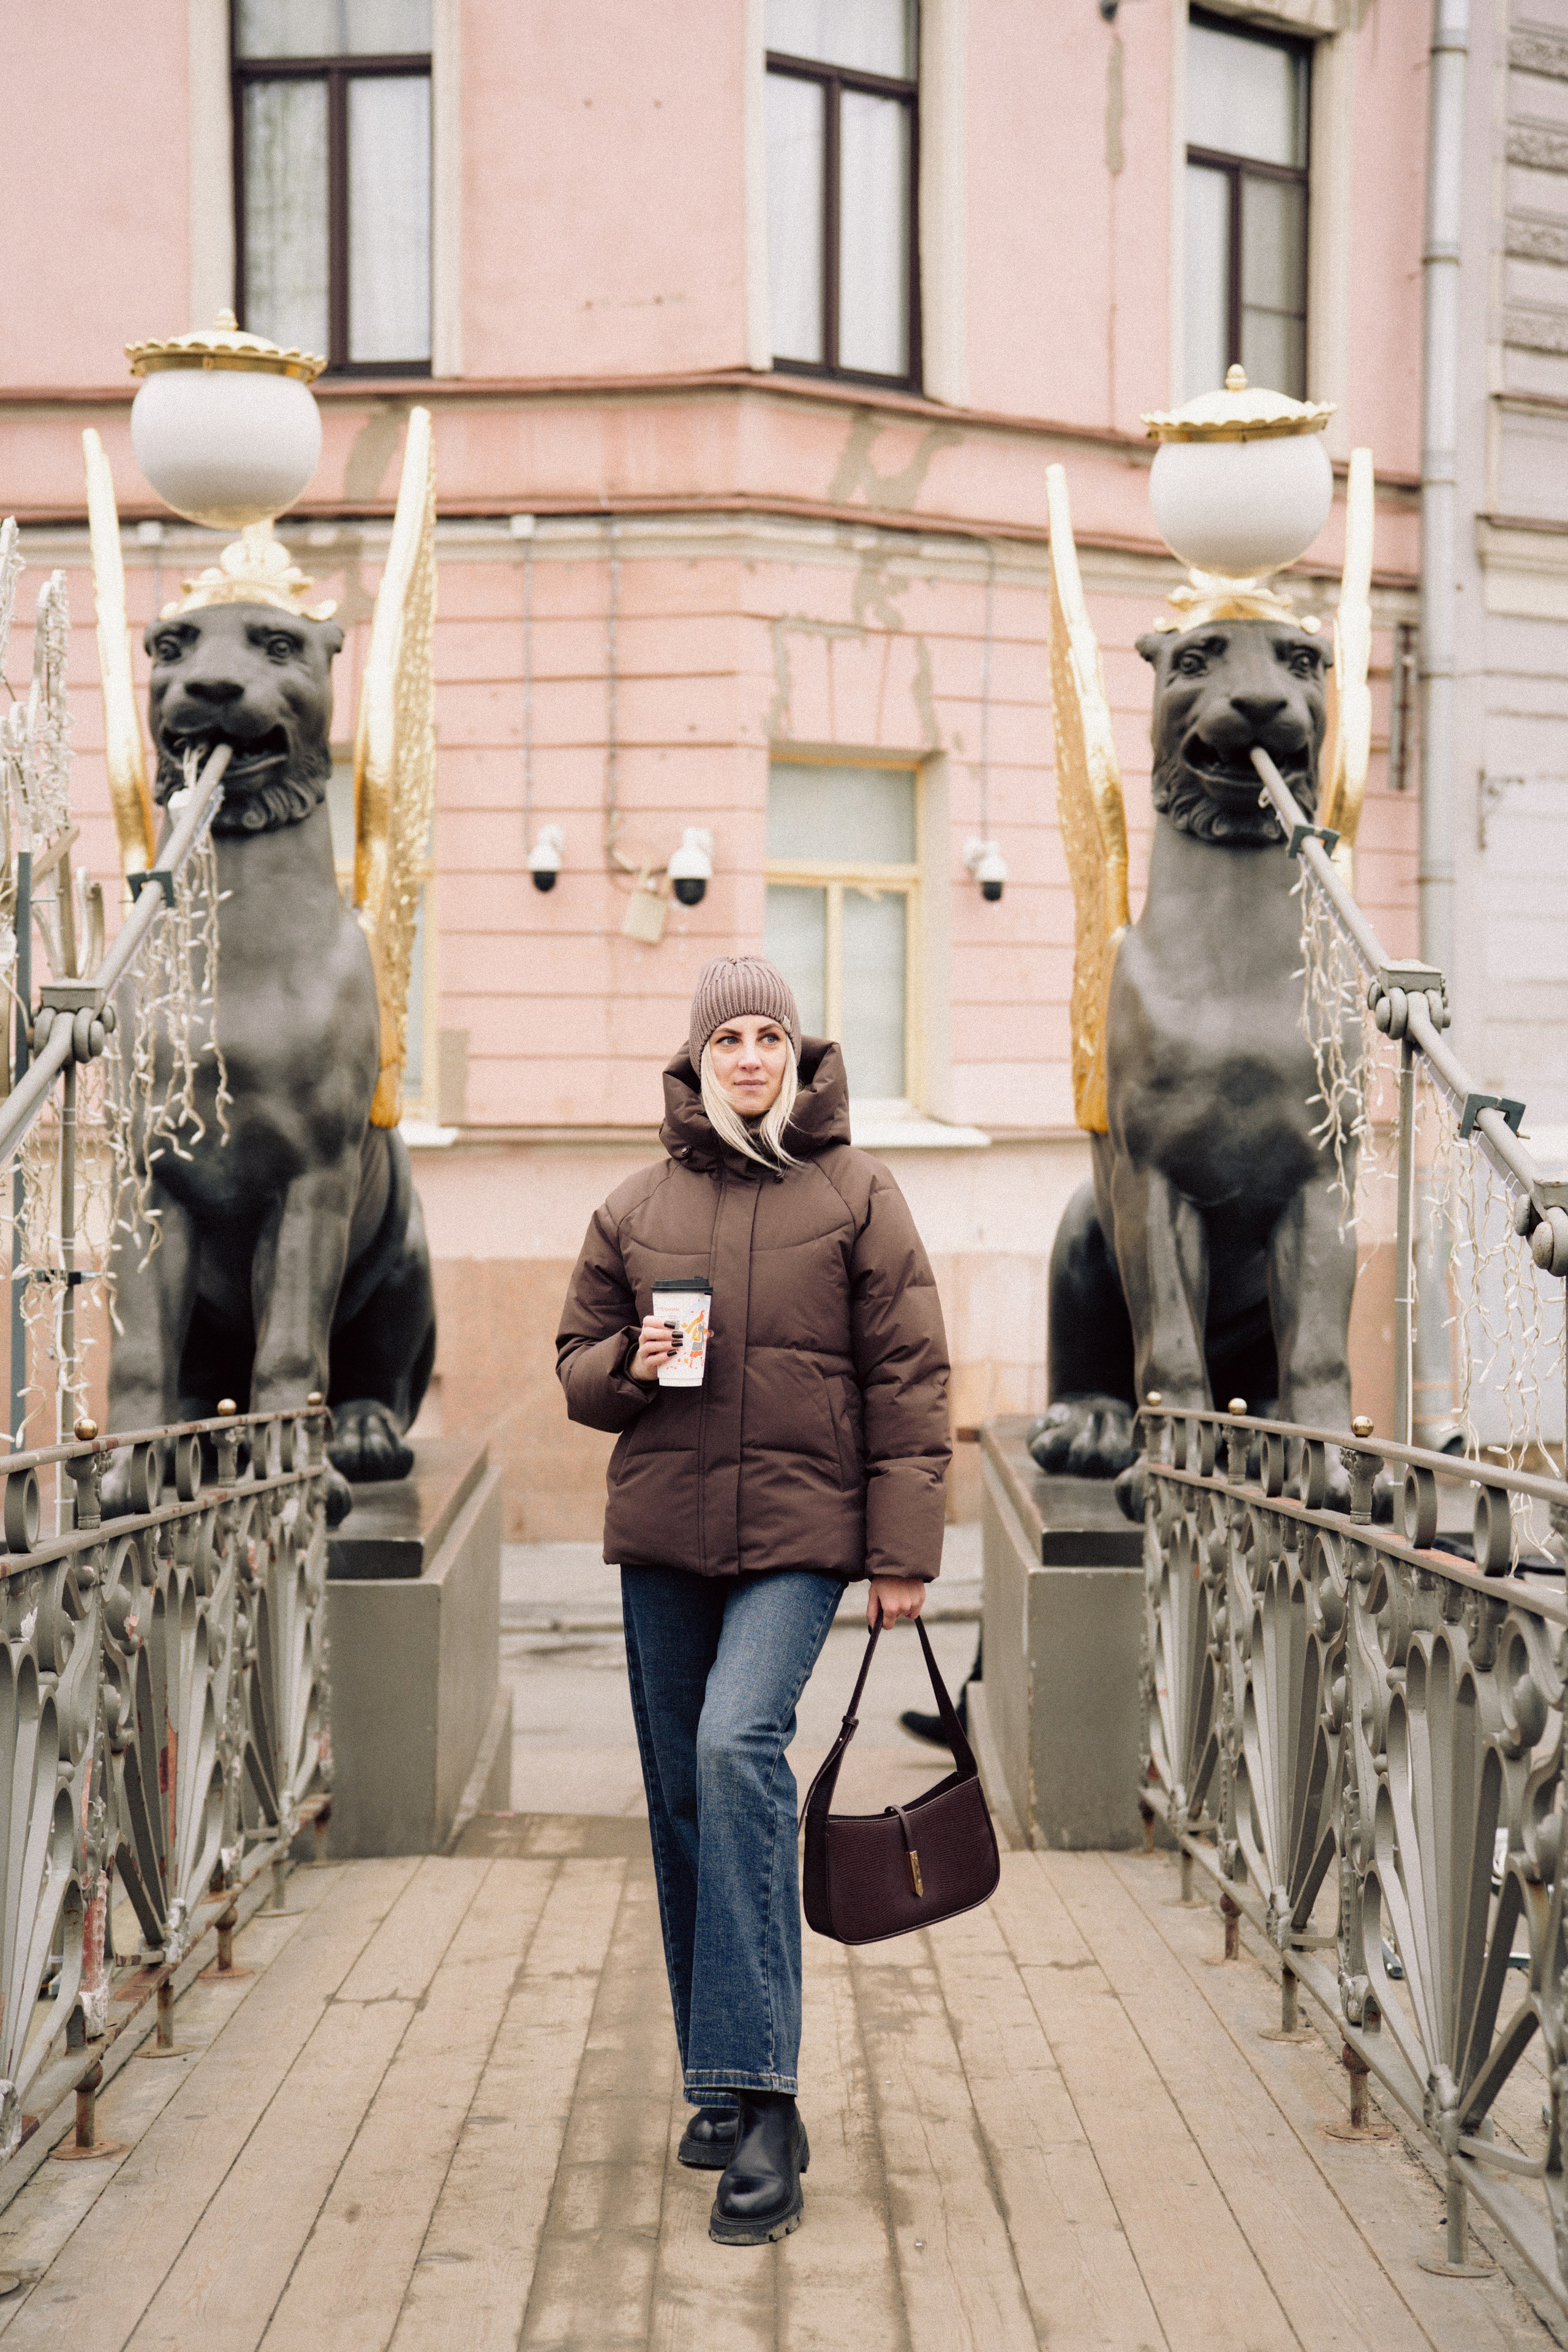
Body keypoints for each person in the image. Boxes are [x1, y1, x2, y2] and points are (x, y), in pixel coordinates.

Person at [556, 956, 951, 2247]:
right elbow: (576, 1367)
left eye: (767, 1035)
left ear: (795, 1053)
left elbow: (909, 1376)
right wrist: (633, 1362)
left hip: (797, 1535)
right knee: (678, 1795)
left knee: (737, 1752)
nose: (747, 1056)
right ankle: (714, 2076)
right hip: (665, 1534)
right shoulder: (632, 1204)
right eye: (725, 1036)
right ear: (695, 1055)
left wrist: (902, 1553)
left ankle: (769, 2103)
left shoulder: (855, 1194)